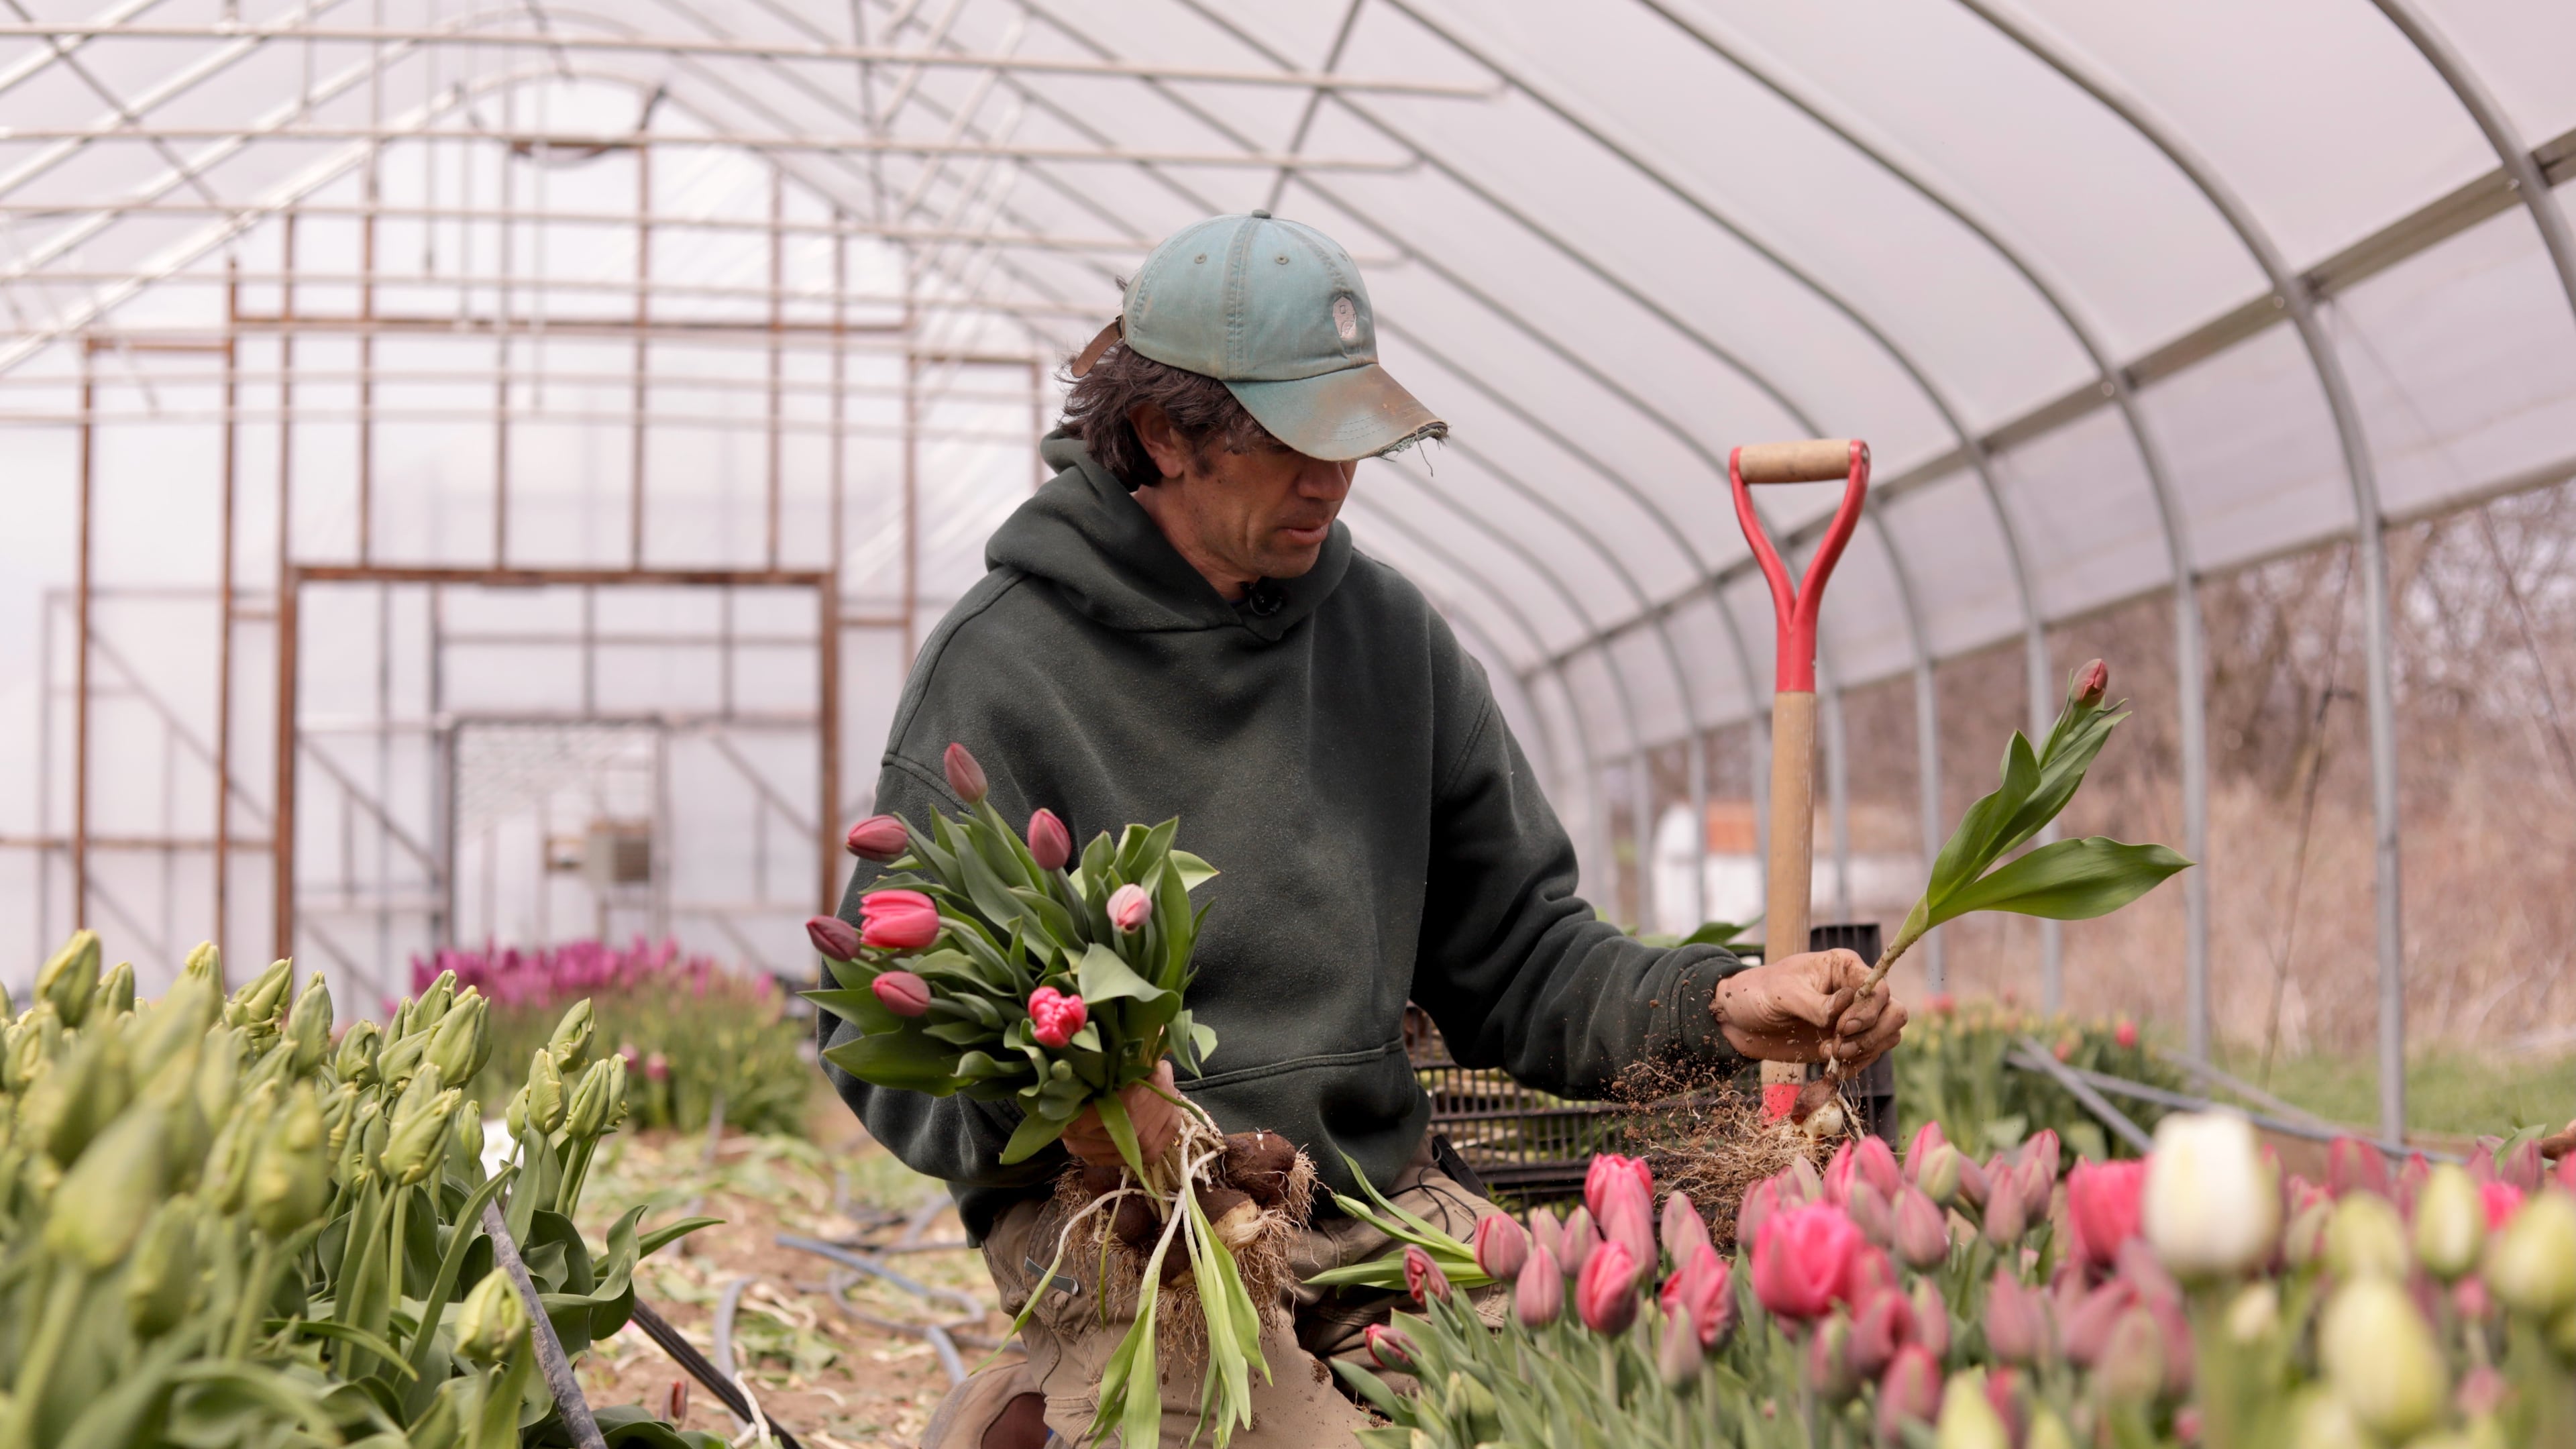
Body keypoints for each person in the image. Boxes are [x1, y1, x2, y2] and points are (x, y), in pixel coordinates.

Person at [825, 211, 1907, 1449]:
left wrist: (1722, 1006)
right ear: (1161, 434)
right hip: (1136, 1228)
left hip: (1377, 1209)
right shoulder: (1006, 671)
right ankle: (1026, 1409)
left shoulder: (1392, 642)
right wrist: (1068, 1101)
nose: (1332, 480)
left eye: (1349, 443)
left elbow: (1524, 958)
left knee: (1620, 1405)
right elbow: (875, 1032)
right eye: (1294, 443)